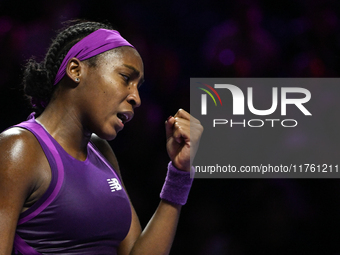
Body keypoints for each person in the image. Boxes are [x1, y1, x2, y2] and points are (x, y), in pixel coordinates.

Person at [0, 21, 203, 254]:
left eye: (138, 86)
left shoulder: (101, 150)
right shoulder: (18, 148)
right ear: (75, 70)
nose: (136, 97)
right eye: (126, 78)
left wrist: (179, 175)